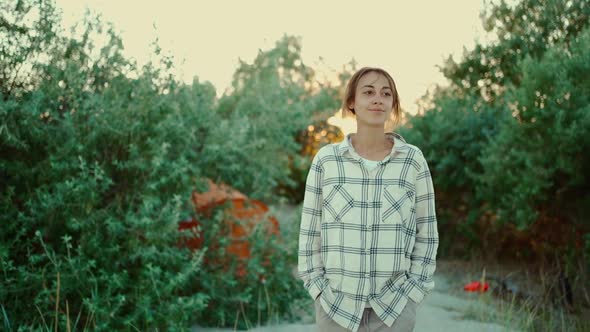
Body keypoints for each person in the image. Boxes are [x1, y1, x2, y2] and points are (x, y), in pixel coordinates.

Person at [298, 67, 439, 332]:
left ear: (392, 104)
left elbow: (427, 233)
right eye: (368, 92)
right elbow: (309, 233)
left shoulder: (412, 161)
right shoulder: (327, 161)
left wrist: (412, 294)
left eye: (386, 94)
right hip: (335, 309)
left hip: (394, 310)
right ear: (352, 102)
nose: (378, 99)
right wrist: (317, 290)